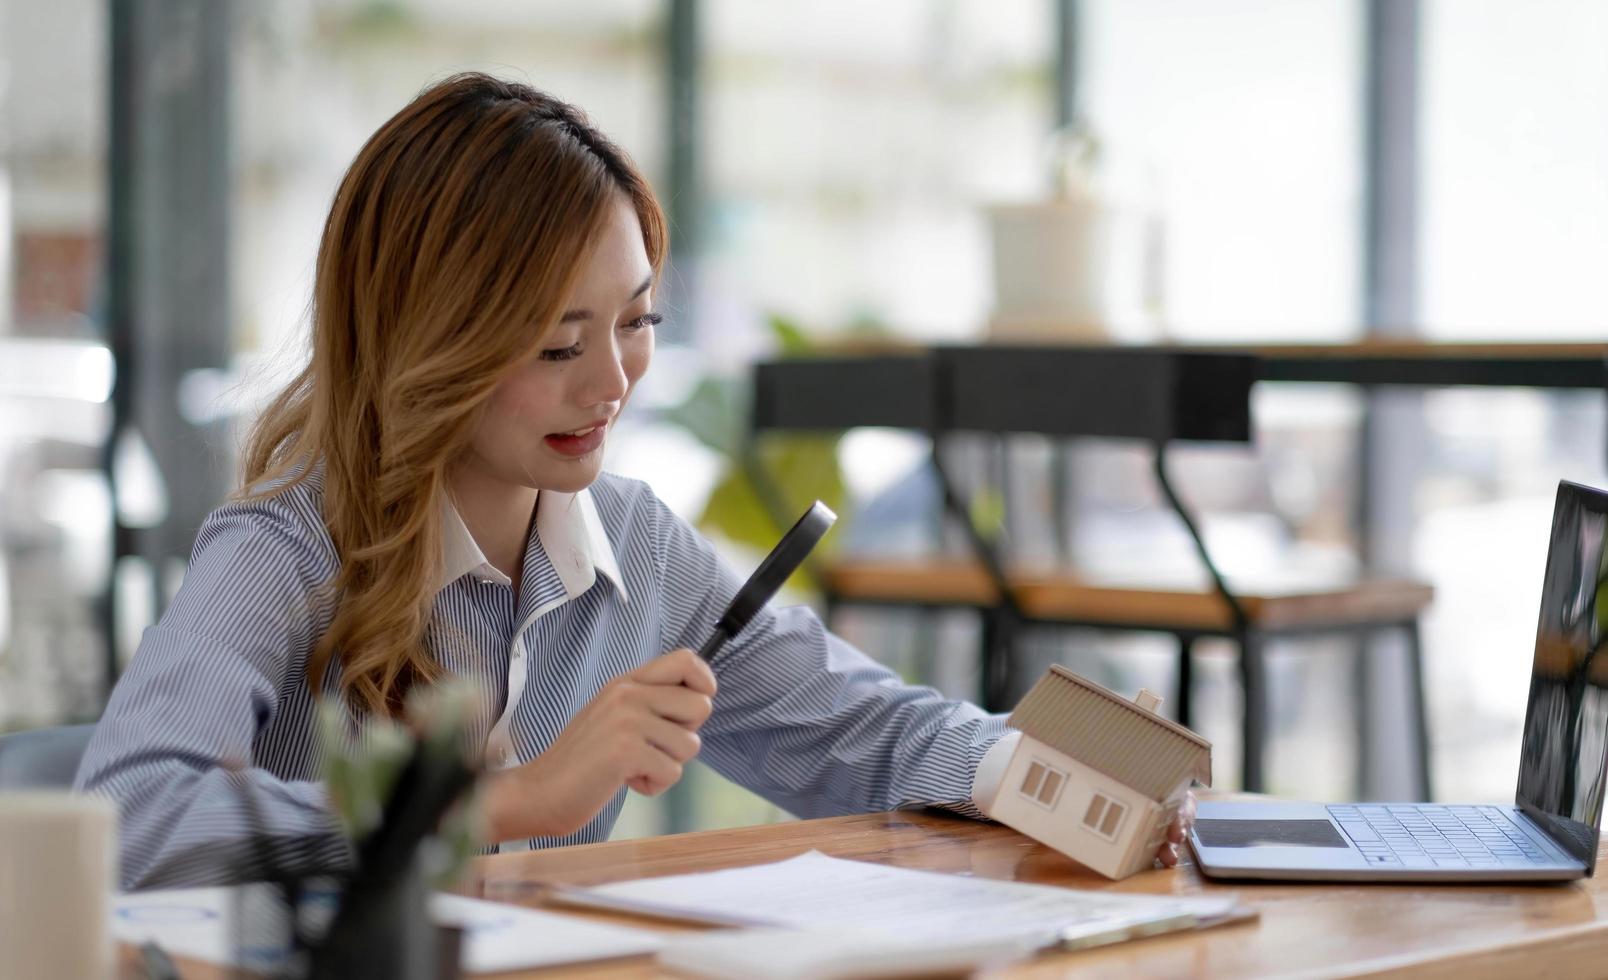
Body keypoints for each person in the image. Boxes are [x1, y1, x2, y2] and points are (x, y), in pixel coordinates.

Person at [75, 73, 1193, 889]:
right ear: (432, 341)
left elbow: (857, 729)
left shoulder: (637, 548)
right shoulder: (287, 547)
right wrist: (503, 802)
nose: (612, 381)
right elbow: (125, 814)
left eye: (637, 322)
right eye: (558, 344)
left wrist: (1055, 770)